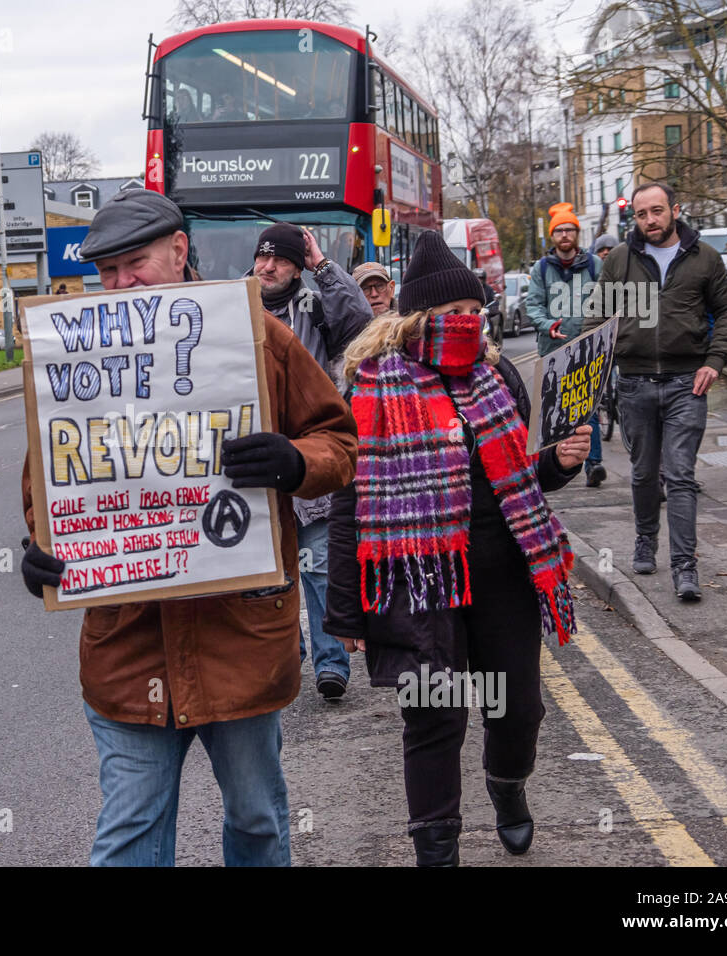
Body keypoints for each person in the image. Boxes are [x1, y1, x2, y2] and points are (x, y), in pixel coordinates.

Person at [19, 189, 357, 866]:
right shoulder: (75, 350)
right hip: (128, 645)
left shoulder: (257, 333)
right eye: (106, 271)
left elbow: (338, 441)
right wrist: (42, 549)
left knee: (258, 820)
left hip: (239, 639)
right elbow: (49, 480)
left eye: (133, 263)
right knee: (128, 835)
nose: (119, 283)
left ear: (178, 251)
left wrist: (295, 462)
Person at [324, 230, 590, 866]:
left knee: (517, 707)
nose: (468, 324)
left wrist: (561, 461)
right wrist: (344, 613)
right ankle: (436, 849)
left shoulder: (498, 375)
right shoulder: (372, 387)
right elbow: (346, 503)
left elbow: (526, 473)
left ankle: (508, 785)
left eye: (474, 313)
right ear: (419, 319)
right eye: (452, 316)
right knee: (435, 715)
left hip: (504, 573)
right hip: (419, 578)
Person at [583, 182, 727, 601]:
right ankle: (645, 539)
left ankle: (686, 568)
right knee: (643, 473)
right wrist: (584, 373)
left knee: (681, 475)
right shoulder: (620, 258)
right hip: (633, 383)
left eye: (656, 211)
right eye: (641, 214)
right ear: (633, 218)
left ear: (674, 209)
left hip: (686, 382)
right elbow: (598, 317)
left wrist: (715, 361)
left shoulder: (704, 257)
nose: (649, 221)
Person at [251, 221, 373, 700]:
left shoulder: (317, 302)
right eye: (262, 258)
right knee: (273, 574)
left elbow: (361, 321)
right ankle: (290, 654)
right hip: (259, 462)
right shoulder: (236, 306)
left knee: (320, 568)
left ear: (296, 266)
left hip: (313, 454)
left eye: (279, 258)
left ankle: (330, 664)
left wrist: (323, 264)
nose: (268, 267)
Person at [526, 202, 608, 487]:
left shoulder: (595, 265)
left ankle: (593, 463)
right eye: (558, 230)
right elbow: (533, 304)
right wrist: (548, 324)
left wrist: (599, 331)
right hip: (553, 351)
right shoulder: (542, 268)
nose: (564, 235)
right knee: (552, 409)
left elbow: (607, 299)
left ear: (576, 233)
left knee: (588, 408)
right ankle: (549, 464)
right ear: (552, 236)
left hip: (587, 349)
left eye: (569, 229)